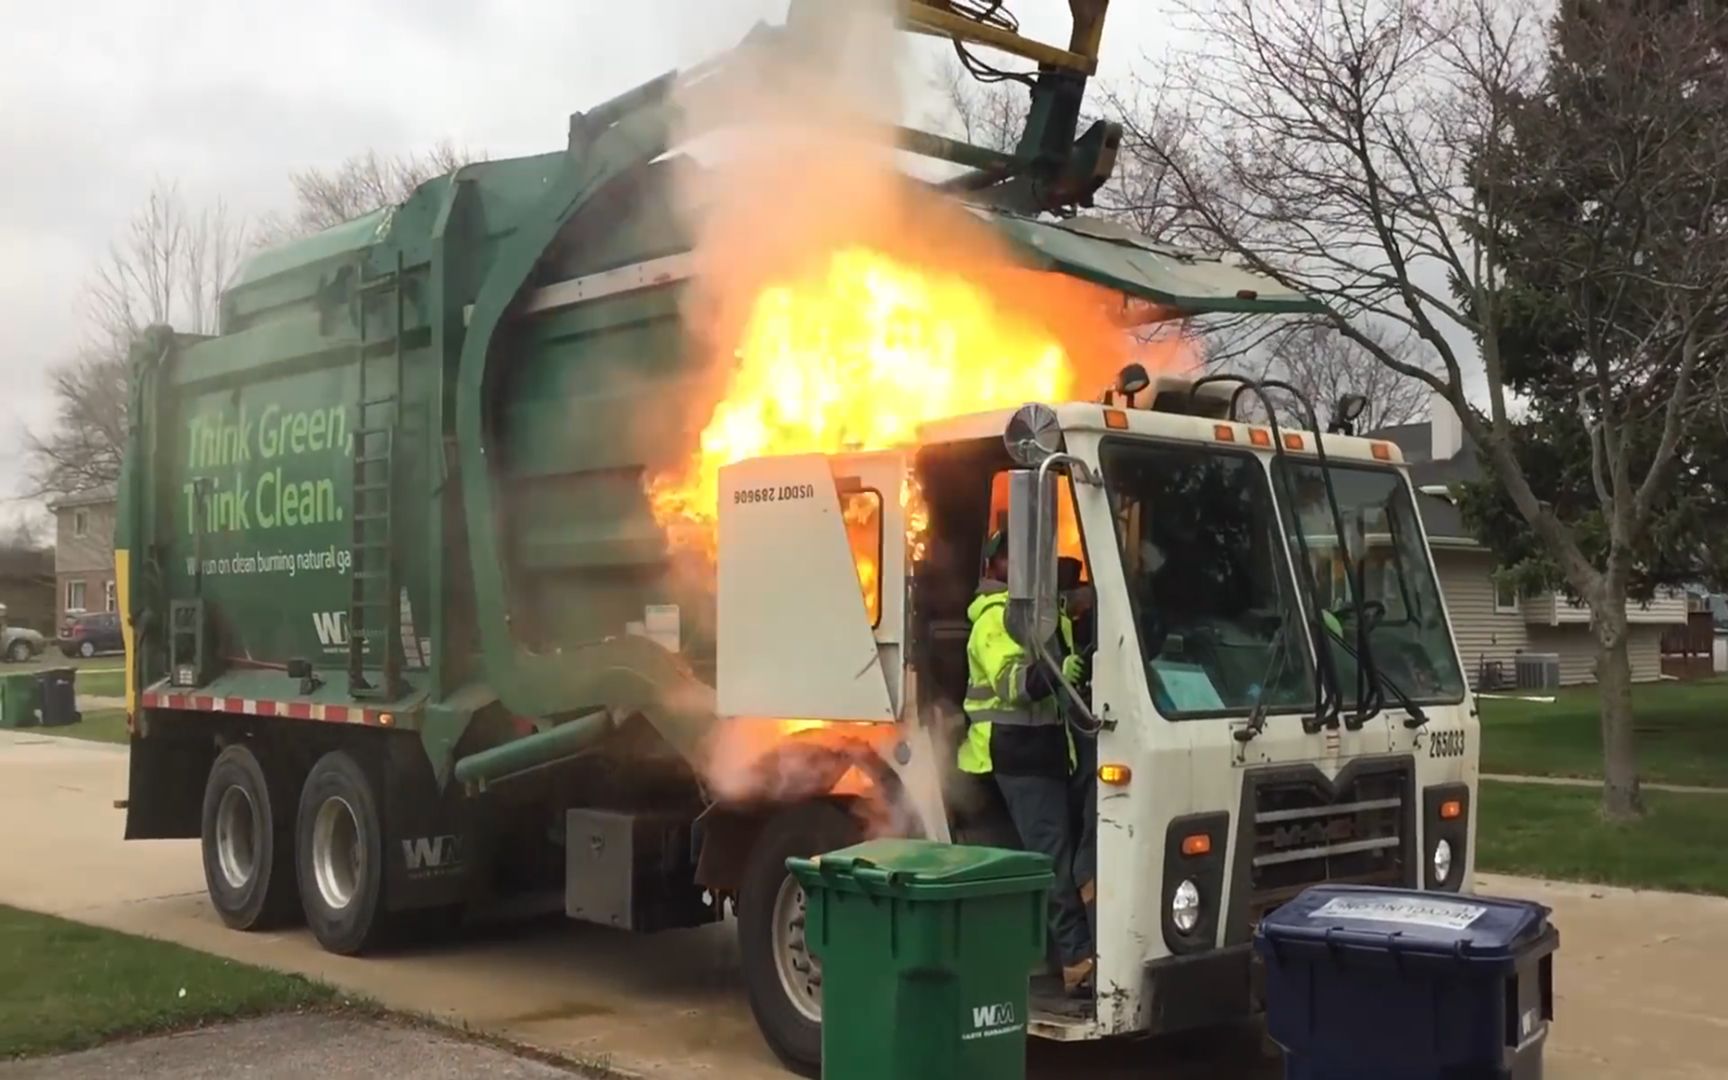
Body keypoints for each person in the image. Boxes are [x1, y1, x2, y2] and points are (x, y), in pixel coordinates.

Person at [956, 532, 1094, 993]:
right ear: (993, 567)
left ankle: (1073, 945)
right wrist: (1056, 674)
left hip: (1048, 748)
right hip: (1014, 751)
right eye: (1010, 558)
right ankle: (1077, 960)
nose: (1021, 565)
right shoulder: (994, 619)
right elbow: (1013, 683)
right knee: (1050, 855)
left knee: (1067, 846)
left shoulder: (1043, 611)